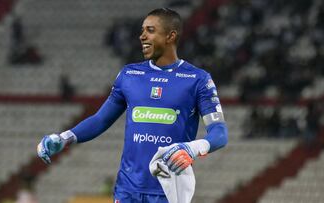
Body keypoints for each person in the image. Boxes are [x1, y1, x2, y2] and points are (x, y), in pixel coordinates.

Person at [37, 8, 228, 203]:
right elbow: (101, 119)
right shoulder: (129, 75)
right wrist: (65, 138)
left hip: (168, 192)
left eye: (150, 30)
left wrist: (192, 148)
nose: (142, 36)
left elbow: (219, 133)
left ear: (171, 36)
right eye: (142, 30)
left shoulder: (198, 79)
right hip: (127, 190)